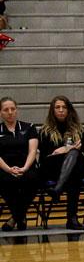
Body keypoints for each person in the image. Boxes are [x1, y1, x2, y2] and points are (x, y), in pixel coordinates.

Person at [38, 96, 84, 230]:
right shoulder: (44, 132)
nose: (61, 110)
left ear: (69, 110)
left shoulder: (80, 130)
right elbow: (45, 156)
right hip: (53, 169)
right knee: (73, 174)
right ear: (52, 111)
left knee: (74, 160)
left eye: (64, 107)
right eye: (57, 107)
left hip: (77, 167)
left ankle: (57, 189)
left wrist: (67, 149)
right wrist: (66, 150)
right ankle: (72, 218)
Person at [0, 97, 38, 231]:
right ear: (1, 112)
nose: (10, 112)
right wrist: (9, 169)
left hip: (26, 166)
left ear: (17, 110)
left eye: (13, 109)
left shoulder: (30, 127)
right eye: (6, 110)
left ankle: (15, 217)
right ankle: (20, 216)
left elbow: (33, 150)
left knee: (34, 180)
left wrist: (24, 168)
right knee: (4, 182)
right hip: (5, 168)